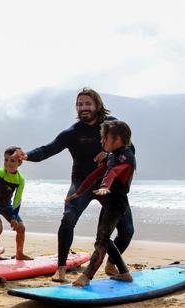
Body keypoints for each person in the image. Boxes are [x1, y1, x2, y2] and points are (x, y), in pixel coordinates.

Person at [13, 87, 135, 282]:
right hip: (81, 184)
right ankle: (60, 269)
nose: (83, 107)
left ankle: (111, 262)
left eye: (87, 103)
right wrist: (27, 156)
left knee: (127, 231)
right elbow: (48, 149)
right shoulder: (73, 132)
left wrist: (110, 155)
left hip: (108, 185)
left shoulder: (112, 126)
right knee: (68, 220)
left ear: (97, 105)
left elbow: (129, 148)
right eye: (79, 104)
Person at [66, 120, 136, 286]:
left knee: (101, 240)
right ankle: (125, 273)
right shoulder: (112, 155)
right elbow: (96, 173)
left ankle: (86, 277)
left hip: (117, 202)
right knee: (104, 239)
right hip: (110, 201)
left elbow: (113, 172)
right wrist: (78, 193)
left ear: (117, 138)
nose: (101, 141)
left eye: (104, 138)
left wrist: (105, 186)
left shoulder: (125, 155)